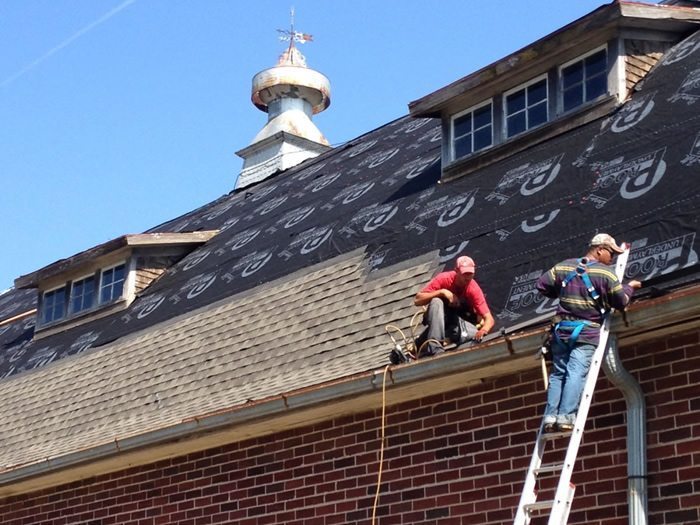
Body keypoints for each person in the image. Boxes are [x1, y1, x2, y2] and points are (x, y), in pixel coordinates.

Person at [536, 233, 641, 432]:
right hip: (585, 332)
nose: (612, 258)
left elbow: (542, 285)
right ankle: (566, 416)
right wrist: (630, 287)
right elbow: (621, 301)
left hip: (561, 331)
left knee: (559, 374)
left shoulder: (564, 266)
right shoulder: (605, 274)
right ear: (599, 249)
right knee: (575, 372)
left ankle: (551, 416)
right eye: (611, 253)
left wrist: (562, 291)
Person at [414, 255, 495, 357]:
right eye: (465, 274)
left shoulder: (473, 287)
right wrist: (442, 292)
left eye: (471, 274)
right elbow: (417, 300)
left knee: (472, 333)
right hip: (440, 319)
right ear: (456, 271)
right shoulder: (444, 278)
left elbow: (489, 319)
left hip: (458, 323)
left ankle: (429, 342)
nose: (468, 278)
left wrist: (483, 330)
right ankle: (435, 348)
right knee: (436, 301)